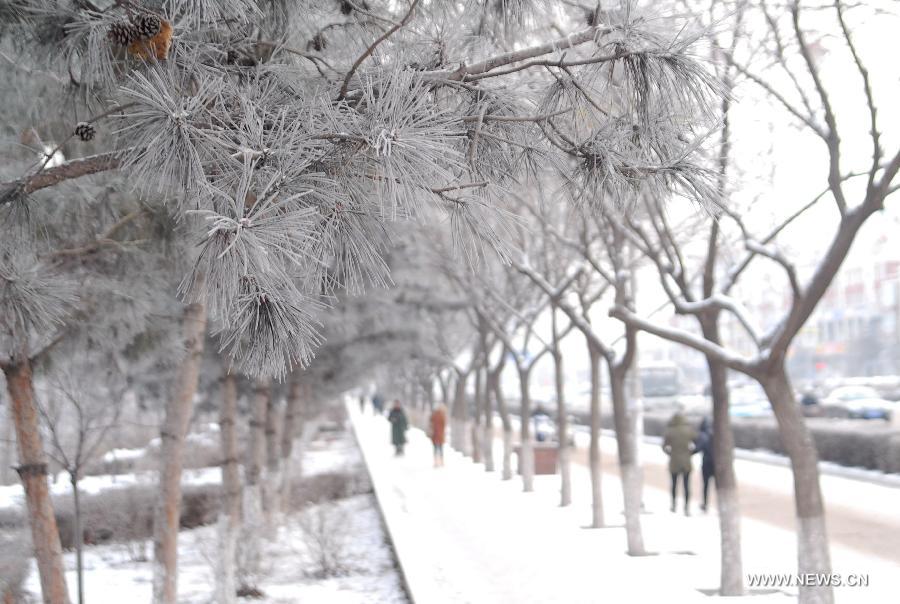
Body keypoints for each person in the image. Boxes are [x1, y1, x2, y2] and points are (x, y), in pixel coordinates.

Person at [662, 412, 697, 515]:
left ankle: (673, 505)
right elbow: (698, 441)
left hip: (674, 462)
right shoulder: (689, 430)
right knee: (686, 485)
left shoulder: (670, 431)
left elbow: (664, 446)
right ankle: (686, 507)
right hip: (686, 462)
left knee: (674, 485)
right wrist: (691, 452)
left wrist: (670, 453)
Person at [694, 417, 715, 512]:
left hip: (706, 463)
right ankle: (719, 504)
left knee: (706, 485)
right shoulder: (715, 434)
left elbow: (698, 448)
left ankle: (705, 504)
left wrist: (689, 452)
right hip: (715, 464)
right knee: (718, 485)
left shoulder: (702, 436)